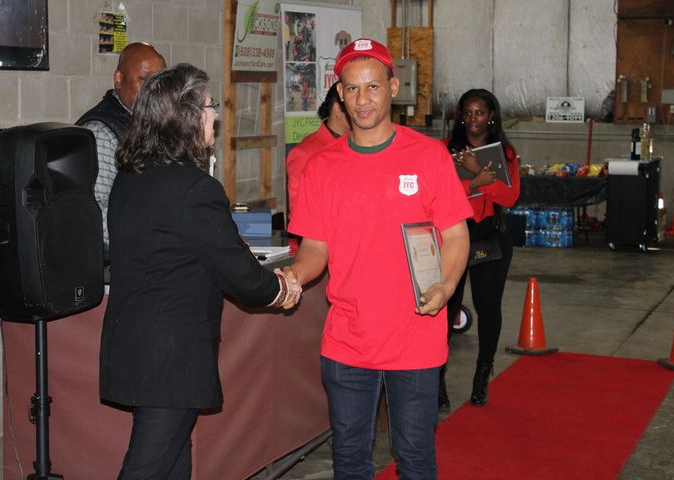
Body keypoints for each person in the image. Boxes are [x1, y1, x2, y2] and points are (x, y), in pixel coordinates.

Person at [99, 63, 301, 480]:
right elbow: (239, 274)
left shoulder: (132, 178)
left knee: (173, 464)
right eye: (210, 106)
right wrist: (280, 290)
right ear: (188, 117)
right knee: (146, 468)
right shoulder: (194, 188)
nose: (215, 116)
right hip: (171, 359)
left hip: (136, 347)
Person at [285, 38, 472, 479]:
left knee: (415, 460)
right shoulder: (322, 166)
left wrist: (445, 287)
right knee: (350, 461)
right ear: (340, 96)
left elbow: (456, 235)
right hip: (348, 339)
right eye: (351, 89)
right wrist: (291, 277)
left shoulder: (428, 157)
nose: (362, 99)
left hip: (416, 335)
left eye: (372, 87)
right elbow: (315, 248)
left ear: (393, 86)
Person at [440, 88, 521, 409]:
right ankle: (437, 379)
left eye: (481, 113)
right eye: (468, 113)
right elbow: (437, 194)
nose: (474, 120)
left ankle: (481, 377)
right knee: (445, 310)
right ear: (460, 116)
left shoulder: (506, 153)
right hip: (451, 240)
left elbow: (510, 197)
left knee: (489, 309)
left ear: (492, 116)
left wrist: (477, 173)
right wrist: (474, 181)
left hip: (491, 239)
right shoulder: (444, 151)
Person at [76, 42, 166, 258]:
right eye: (144, 79)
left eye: (159, 82)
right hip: (117, 264)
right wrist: (154, 241)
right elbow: (96, 215)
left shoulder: (148, 123)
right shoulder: (102, 133)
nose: (152, 90)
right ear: (119, 79)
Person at [286, 80, 351, 215]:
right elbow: (300, 213)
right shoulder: (304, 153)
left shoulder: (361, 145)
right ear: (337, 109)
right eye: (353, 106)